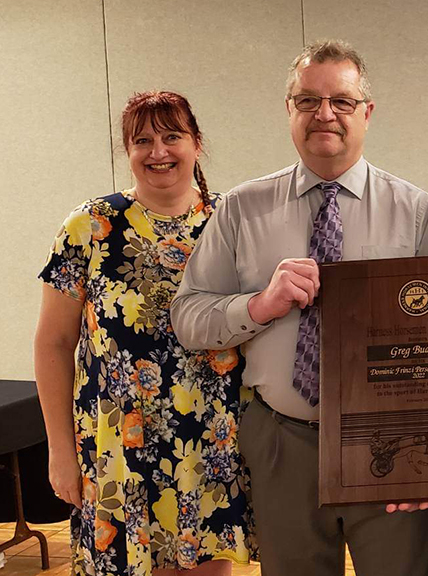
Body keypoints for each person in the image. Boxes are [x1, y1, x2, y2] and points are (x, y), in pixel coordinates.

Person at [170, 40, 428, 576]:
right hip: (282, 441)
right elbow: (188, 317)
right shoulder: (240, 208)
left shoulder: (416, 212)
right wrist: (259, 305)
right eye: (307, 100)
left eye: (341, 102)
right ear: (289, 111)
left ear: (366, 113)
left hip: (388, 444)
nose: (325, 114)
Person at [34, 91, 256, 576]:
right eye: (143, 140)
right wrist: (59, 451)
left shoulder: (231, 222)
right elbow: (52, 344)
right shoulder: (89, 226)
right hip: (116, 446)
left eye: (172, 136)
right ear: (127, 152)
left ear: (197, 144)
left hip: (208, 445)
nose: (159, 151)